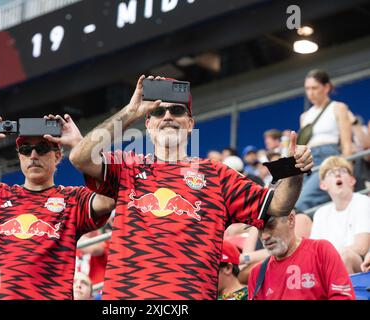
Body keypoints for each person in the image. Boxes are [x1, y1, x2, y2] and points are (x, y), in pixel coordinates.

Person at [68, 75, 313, 299]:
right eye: (158, 111)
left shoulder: (217, 175)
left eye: (176, 110)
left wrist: (294, 171)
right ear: (149, 124)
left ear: (189, 123)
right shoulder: (126, 167)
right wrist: (130, 111)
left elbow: (279, 205)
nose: (167, 116)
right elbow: (80, 157)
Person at [0, 115, 115, 300]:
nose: (33, 155)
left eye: (42, 148)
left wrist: (79, 145)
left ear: (57, 155)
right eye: (25, 149)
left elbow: (107, 200)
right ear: (19, 156)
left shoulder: (73, 199)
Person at [248, 210, 355, 300]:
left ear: (290, 220)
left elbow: (343, 297)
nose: (264, 235)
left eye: (270, 225)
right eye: (259, 228)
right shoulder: (256, 274)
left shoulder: (321, 250)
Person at [295, 69, 353, 213]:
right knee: (295, 201)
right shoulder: (304, 116)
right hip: (307, 161)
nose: (310, 93)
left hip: (329, 158)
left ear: (326, 87)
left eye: (315, 88)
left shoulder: (338, 107)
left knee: (303, 202)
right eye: (307, 88)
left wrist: (348, 170)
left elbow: (346, 143)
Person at [310, 156, 370, 273]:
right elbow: (314, 252)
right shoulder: (320, 213)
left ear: (352, 180)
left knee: (346, 256)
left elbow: (361, 247)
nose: (337, 174)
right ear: (323, 185)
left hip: (361, 265)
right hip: (328, 267)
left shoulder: (362, 201)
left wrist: (327, 259)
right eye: (331, 173)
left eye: (343, 170)